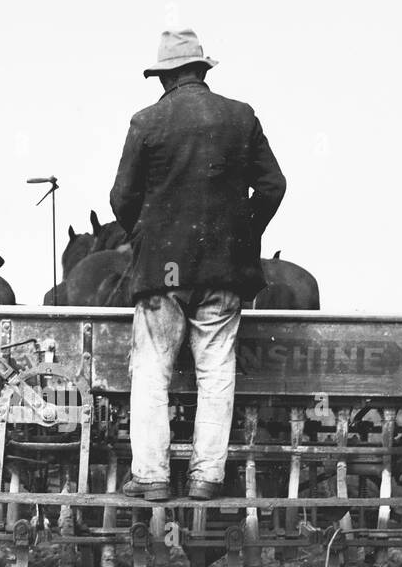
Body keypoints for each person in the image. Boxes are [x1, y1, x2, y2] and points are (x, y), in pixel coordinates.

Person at [110, 29, 286, 500]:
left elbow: (122, 198)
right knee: (216, 371)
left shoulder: (147, 121)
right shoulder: (241, 117)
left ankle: (151, 477)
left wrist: (145, 236)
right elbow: (273, 186)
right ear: (203, 71)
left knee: (151, 372)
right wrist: (244, 234)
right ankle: (207, 476)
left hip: (162, 272)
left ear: (165, 76)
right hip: (224, 271)